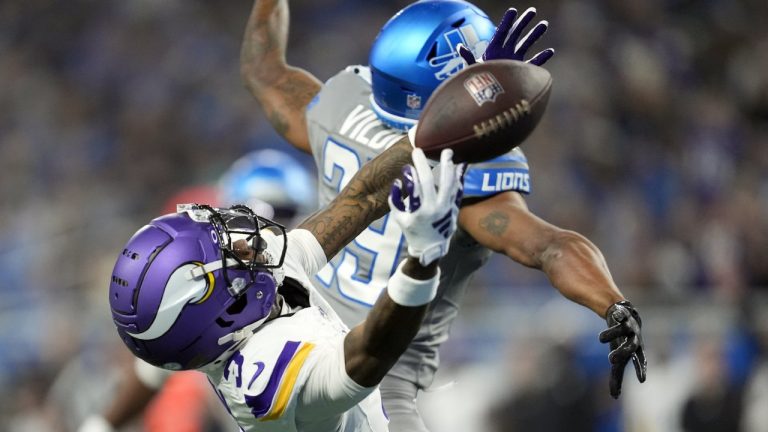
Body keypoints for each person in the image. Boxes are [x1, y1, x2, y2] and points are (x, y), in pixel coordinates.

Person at [241, 1, 646, 430]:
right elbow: (549, 246)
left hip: (294, 356)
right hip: (375, 386)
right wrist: (612, 302)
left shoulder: (341, 104)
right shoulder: (468, 172)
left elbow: (264, 71)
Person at [106, 146, 464, 431]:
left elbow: (362, 198)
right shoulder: (263, 378)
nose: (242, 240)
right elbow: (371, 352)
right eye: (222, 250)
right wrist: (422, 259)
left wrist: (432, 137)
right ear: (220, 307)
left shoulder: (241, 296)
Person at [77, 149, 317, 432]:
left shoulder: (319, 273)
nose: (261, 231)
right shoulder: (221, 290)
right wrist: (99, 425)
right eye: (246, 217)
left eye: (280, 214)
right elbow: (152, 372)